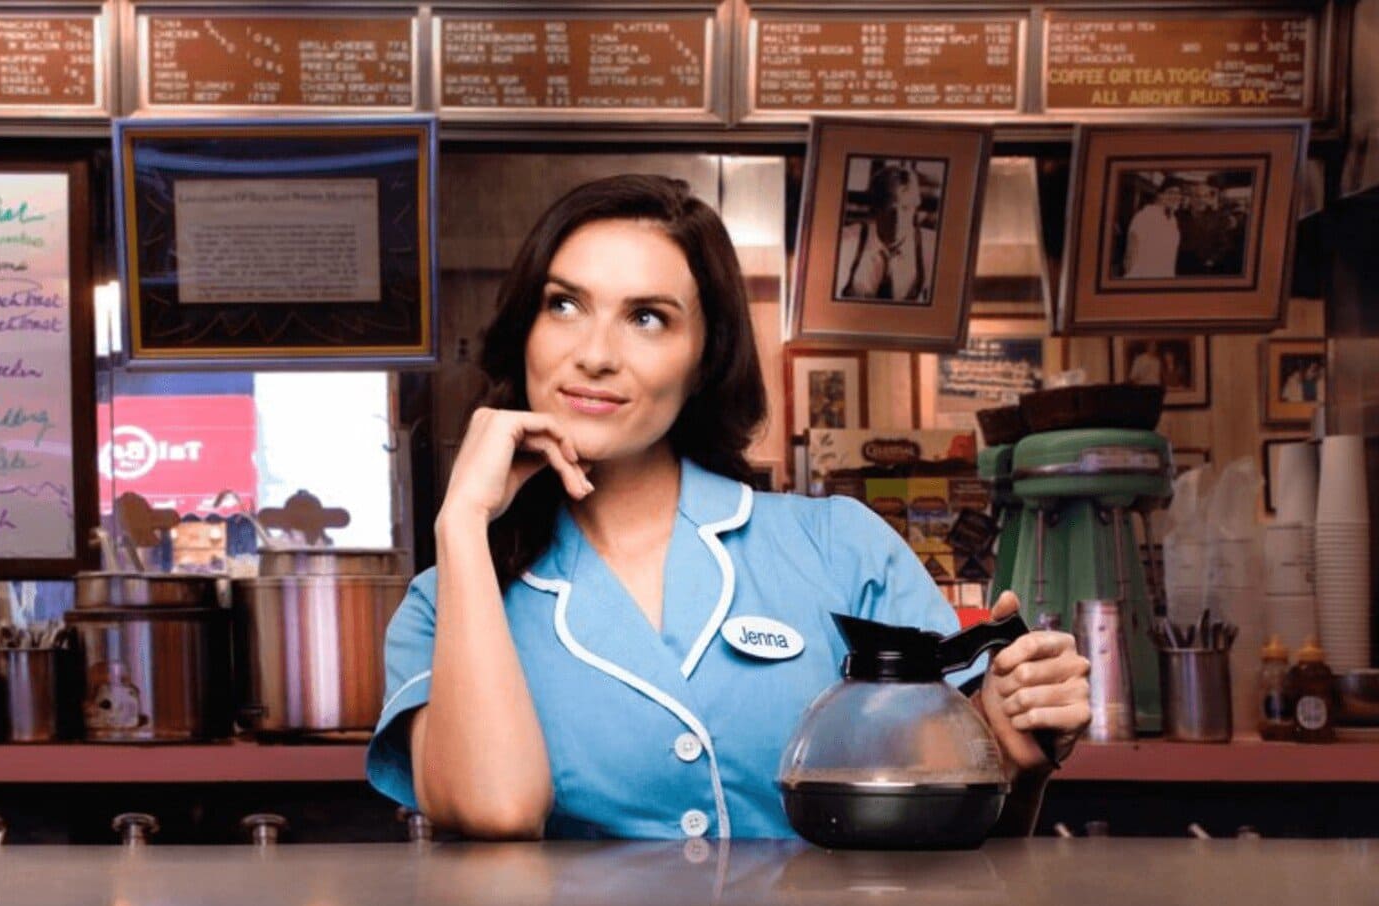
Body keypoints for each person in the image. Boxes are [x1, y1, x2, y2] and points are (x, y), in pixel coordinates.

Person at [366, 174, 1091, 840]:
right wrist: (460, 522)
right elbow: (497, 808)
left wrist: (1006, 738)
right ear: (525, 330)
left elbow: (942, 840)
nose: (594, 354)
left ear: (705, 356)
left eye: (647, 318)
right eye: (564, 305)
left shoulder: (839, 550)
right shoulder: (447, 606)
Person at [834, 163, 938, 304]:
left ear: (916, 208)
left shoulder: (933, 248)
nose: (898, 220)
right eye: (890, 211)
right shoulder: (846, 242)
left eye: (905, 208)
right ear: (875, 210)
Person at [1177, 175, 1241, 277]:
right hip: (1181, 268)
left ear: (1208, 198)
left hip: (1204, 270)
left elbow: (1224, 243)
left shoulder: (1217, 217)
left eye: (1205, 196)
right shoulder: (1179, 216)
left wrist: (1212, 260)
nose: (1201, 199)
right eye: (1197, 196)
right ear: (1191, 198)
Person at [1121, 177, 1184, 279]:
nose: (1175, 197)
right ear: (1159, 195)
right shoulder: (1144, 216)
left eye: (1178, 193)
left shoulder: (1173, 220)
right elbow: (1130, 255)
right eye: (1171, 192)